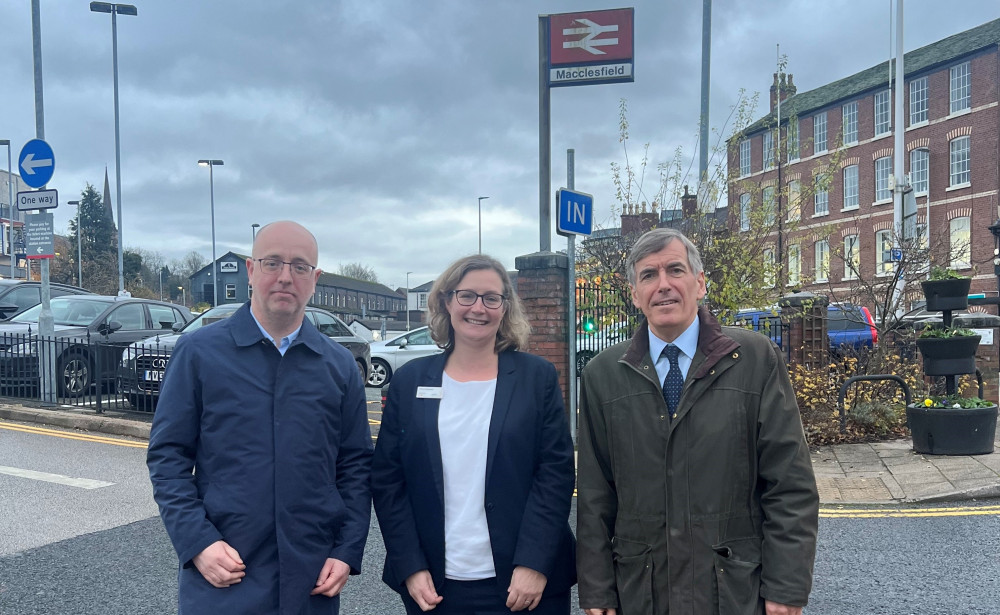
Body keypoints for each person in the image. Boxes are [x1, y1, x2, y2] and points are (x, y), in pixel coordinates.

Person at [576, 228, 819, 615]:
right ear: (635, 294)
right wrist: (596, 590)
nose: (664, 285)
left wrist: (786, 586)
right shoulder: (602, 375)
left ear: (700, 283)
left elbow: (789, 483)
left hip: (733, 591)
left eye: (675, 269)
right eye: (648, 275)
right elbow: (594, 496)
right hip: (641, 591)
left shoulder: (755, 359)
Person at [147, 221, 373, 615]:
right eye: (273, 263)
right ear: (251, 271)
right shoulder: (199, 353)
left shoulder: (338, 365)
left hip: (312, 578)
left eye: (300, 267)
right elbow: (168, 457)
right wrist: (197, 542)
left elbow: (355, 465)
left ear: (315, 278)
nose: (286, 277)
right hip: (225, 573)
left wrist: (347, 550)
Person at [371, 254, 576, 615]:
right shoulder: (411, 380)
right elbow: (389, 480)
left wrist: (533, 562)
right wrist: (411, 566)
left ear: (505, 308)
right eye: (466, 296)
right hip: (436, 586)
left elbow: (555, 474)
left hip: (523, 586)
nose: (478, 308)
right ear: (446, 301)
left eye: (491, 298)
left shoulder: (536, 377)